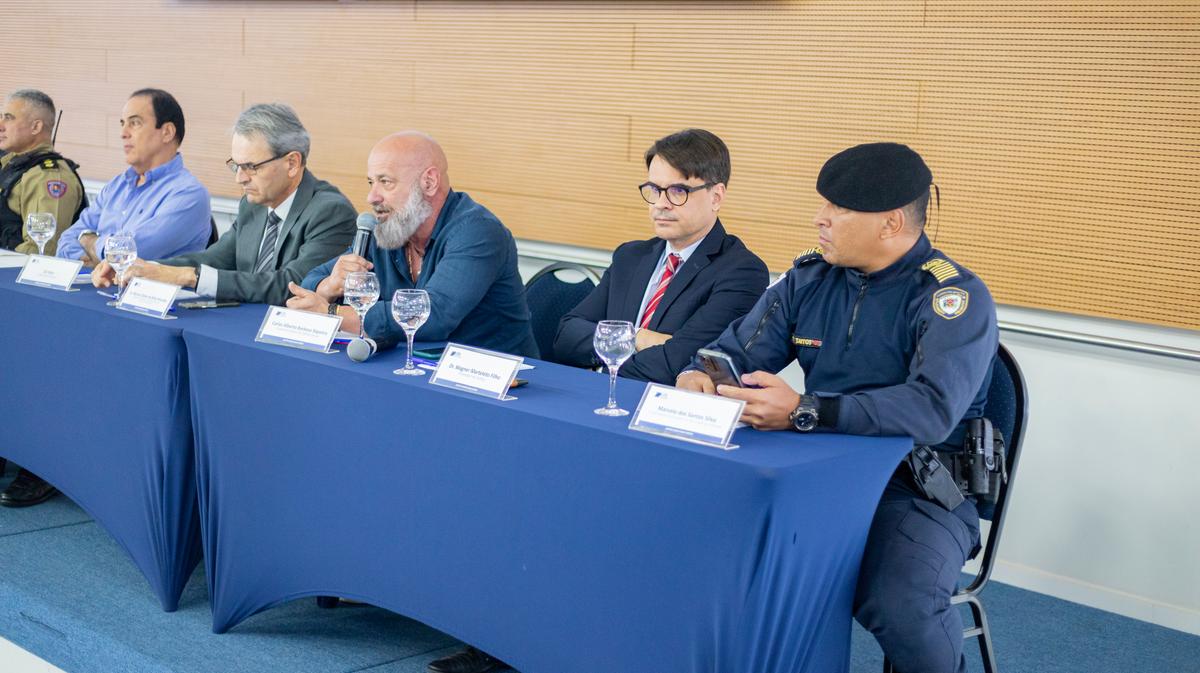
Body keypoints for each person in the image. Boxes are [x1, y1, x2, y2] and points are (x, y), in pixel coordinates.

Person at [677, 142, 999, 673]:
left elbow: (931, 410)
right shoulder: (809, 278)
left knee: (902, 601)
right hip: (814, 472)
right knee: (702, 550)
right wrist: (698, 374)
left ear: (890, 223)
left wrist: (806, 410)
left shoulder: (951, 298)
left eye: (837, 209)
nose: (819, 219)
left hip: (916, 483)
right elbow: (733, 352)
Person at [290, 131, 537, 358]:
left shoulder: (478, 231)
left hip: (495, 381)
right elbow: (313, 281)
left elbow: (434, 314)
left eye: (385, 182)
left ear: (429, 182)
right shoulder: (387, 228)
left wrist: (332, 314)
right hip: (413, 367)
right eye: (371, 183)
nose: (372, 197)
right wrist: (329, 286)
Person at [553, 128, 768, 383]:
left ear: (716, 196)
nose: (660, 204)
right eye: (654, 189)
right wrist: (637, 337)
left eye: (678, 191)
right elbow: (566, 336)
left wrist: (605, 365)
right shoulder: (630, 257)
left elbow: (677, 363)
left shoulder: (742, 272)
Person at [90, 103, 355, 305]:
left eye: (251, 167)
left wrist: (187, 277)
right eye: (236, 166)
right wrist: (145, 268)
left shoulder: (330, 212)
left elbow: (289, 285)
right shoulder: (253, 204)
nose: (240, 178)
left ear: (292, 163)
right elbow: (216, 259)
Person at [56, 88, 210, 267]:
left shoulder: (189, 194)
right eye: (122, 123)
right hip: (98, 287)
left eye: (135, 123)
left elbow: (128, 255)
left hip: (150, 293)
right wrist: (96, 256)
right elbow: (66, 240)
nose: (123, 133)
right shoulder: (117, 185)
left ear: (167, 132)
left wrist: (88, 240)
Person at [0, 89, 85, 255]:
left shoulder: (47, 177)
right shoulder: (9, 164)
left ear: (36, 127)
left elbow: (41, 250)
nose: (1, 125)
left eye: (8, 118)